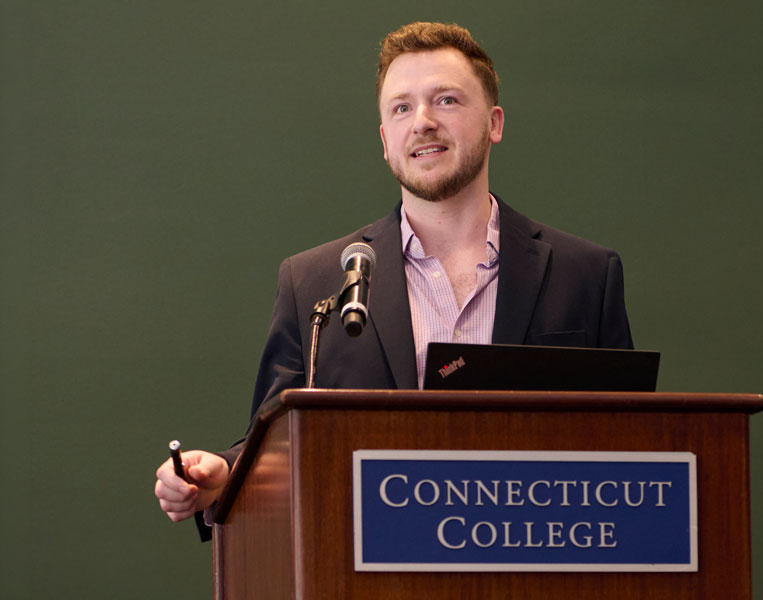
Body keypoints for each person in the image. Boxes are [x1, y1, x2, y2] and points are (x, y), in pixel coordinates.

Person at [154, 21, 633, 531]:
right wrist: (224, 474)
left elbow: (634, 452)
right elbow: (274, 444)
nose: (422, 122)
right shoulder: (315, 282)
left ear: (494, 123)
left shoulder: (586, 275)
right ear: (386, 140)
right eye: (402, 107)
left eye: (446, 100)